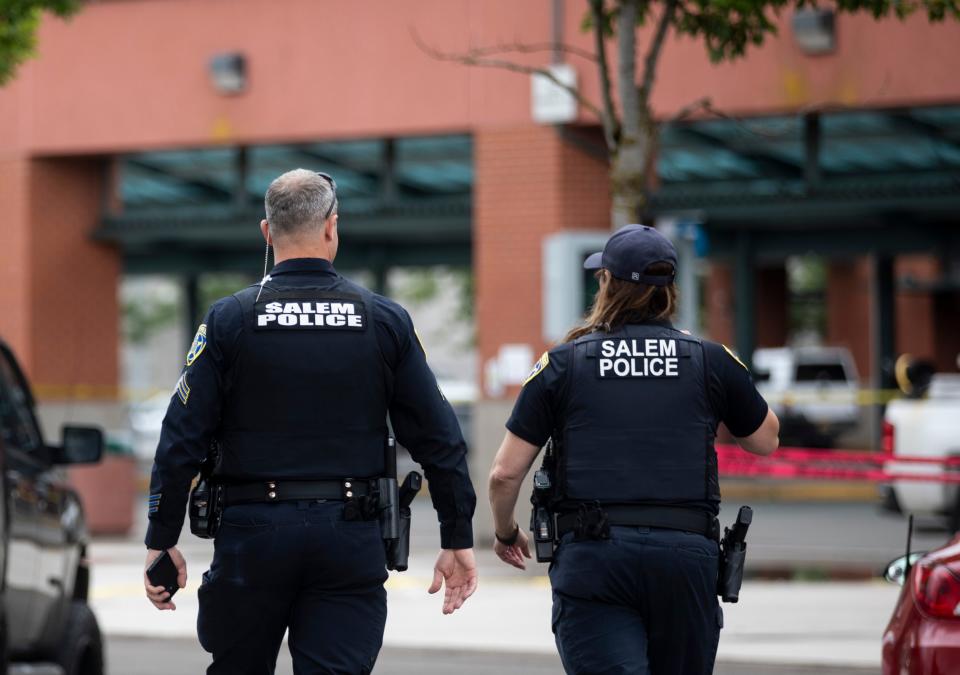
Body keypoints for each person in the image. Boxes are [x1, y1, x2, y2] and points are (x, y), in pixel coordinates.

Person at [143, 169, 478, 675]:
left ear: (266, 232)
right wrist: (457, 534)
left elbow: (180, 440)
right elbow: (439, 439)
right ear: (331, 227)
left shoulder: (229, 319)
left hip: (252, 535)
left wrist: (160, 537)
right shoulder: (383, 319)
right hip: (349, 535)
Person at [488, 224, 779, 675]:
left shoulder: (564, 362)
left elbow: (505, 474)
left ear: (607, 283)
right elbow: (765, 440)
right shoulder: (708, 358)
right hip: (685, 559)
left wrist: (506, 531)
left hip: (594, 559)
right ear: (670, 290)